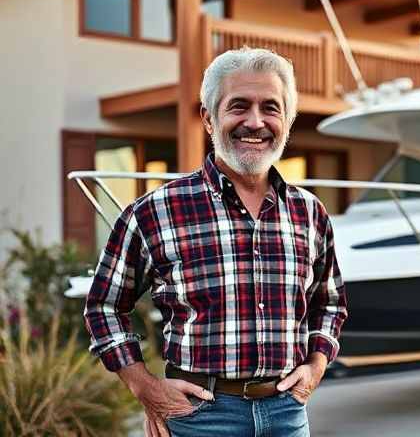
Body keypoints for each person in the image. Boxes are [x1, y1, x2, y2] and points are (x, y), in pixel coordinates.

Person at [84, 47, 348, 437]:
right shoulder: (154, 211)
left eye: (271, 108)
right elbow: (104, 307)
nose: (255, 122)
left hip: (288, 415)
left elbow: (330, 302)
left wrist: (317, 365)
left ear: (288, 121)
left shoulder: (310, 213)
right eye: (238, 106)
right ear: (209, 119)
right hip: (198, 417)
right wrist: (144, 386)